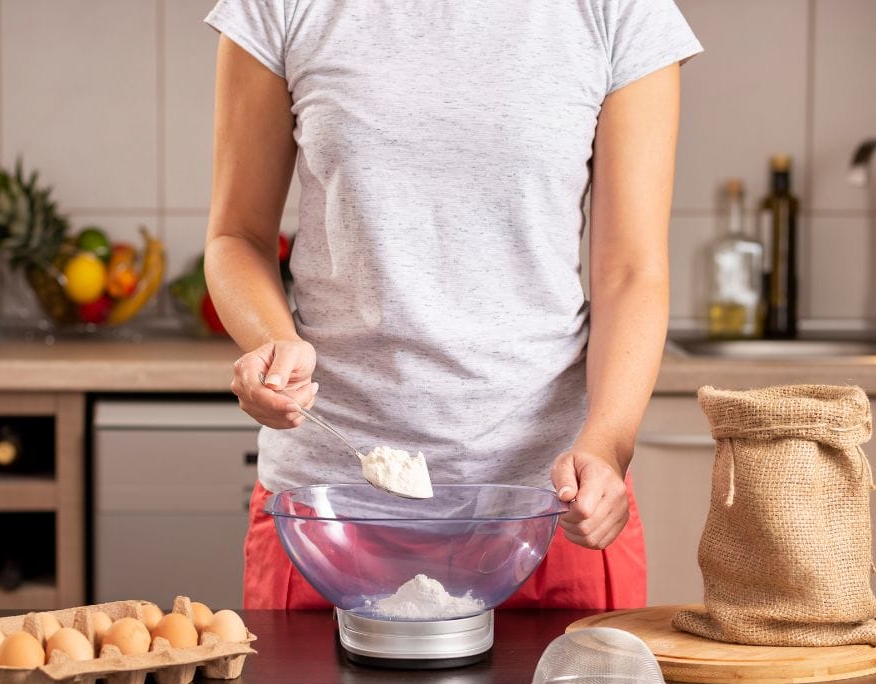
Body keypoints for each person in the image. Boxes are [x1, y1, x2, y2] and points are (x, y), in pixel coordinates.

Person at [202, 0, 702, 610]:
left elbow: (631, 270)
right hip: (329, 515)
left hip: (551, 507)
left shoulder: (619, 11)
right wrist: (272, 342)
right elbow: (237, 237)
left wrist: (609, 444)